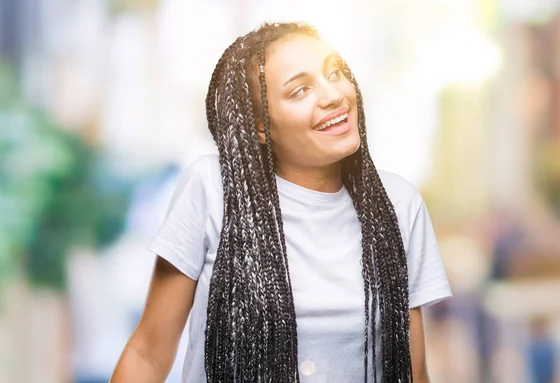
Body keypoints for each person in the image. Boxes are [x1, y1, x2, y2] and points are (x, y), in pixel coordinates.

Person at [110, 21, 452, 383]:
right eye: (300, 90)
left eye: (334, 72)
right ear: (259, 125)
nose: (333, 95)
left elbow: (413, 372)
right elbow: (148, 353)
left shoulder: (399, 205)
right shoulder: (213, 188)